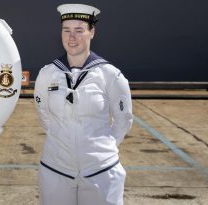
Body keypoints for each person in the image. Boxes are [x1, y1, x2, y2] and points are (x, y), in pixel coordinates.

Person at [34, 3, 133, 205]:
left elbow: (123, 120)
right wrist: (61, 140)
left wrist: (100, 149)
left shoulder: (110, 75)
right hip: (56, 169)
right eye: (66, 30)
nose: (72, 37)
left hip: (101, 172)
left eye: (79, 30)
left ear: (91, 33)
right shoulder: (47, 74)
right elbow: (43, 114)